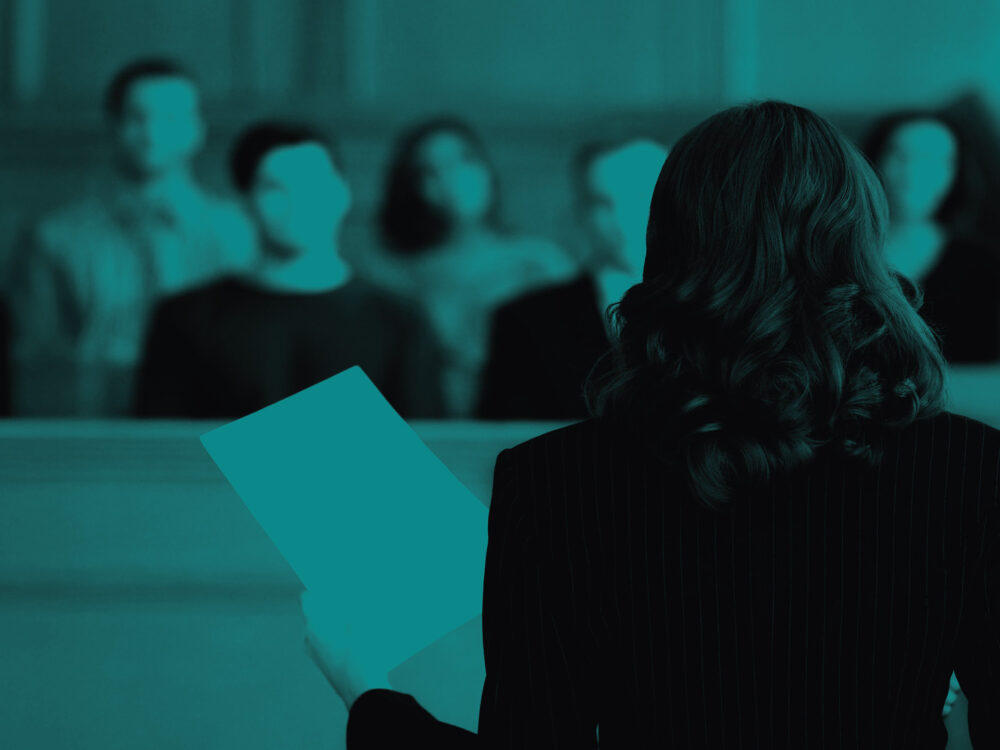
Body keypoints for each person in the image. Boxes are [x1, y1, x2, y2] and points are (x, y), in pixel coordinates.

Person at [301, 102, 1000, 748]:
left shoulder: (553, 482)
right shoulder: (970, 469)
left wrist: (367, 692)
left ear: (668, 240)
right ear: (861, 245)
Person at [134, 122, 444, 419]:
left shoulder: (400, 321)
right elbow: (159, 444)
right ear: (245, 202)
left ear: (343, 192)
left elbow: (432, 442)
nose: (299, 200)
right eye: (275, 188)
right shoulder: (184, 319)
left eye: (313, 183)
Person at [7, 58, 257, 416]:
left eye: (171, 117)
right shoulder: (53, 237)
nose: (152, 133)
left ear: (198, 128)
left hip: (216, 421)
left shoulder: (244, 231)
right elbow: (35, 361)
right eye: (137, 117)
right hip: (98, 423)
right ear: (113, 125)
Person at [364, 117, 576, 417]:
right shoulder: (389, 276)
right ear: (411, 187)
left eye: (464, 160)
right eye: (430, 171)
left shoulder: (540, 263)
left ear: (487, 168)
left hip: (525, 427)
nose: (452, 178)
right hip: (424, 429)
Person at [477, 138, 668, 419]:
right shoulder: (524, 321)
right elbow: (502, 434)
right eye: (602, 203)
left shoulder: (719, 310)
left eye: (640, 196)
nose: (621, 217)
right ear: (580, 212)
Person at [863, 110, 1000, 364]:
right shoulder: (837, 255)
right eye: (899, 155)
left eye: (933, 159)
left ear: (956, 173)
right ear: (872, 162)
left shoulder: (984, 266)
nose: (912, 172)